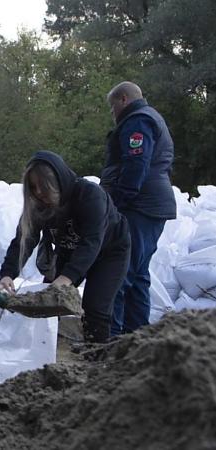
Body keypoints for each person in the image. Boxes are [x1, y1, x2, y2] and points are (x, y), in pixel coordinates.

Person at [0, 151, 131, 343]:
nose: (39, 192)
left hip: (110, 251)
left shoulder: (90, 195)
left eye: (43, 186)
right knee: (47, 303)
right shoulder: (37, 205)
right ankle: (43, 352)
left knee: (95, 307)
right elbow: (24, 240)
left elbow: (91, 242)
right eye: (33, 187)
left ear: (57, 180)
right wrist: (8, 273)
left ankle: (96, 360)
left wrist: (65, 278)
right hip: (70, 249)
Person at [101, 81, 176, 336]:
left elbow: (136, 164)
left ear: (123, 99)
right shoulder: (153, 117)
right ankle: (136, 337)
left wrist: (119, 202)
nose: (113, 115)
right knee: (139, 274)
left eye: (113, 108)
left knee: (120, 271)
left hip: (139, 206)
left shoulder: (137, 120)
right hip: (153, 206)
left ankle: (110, 338)